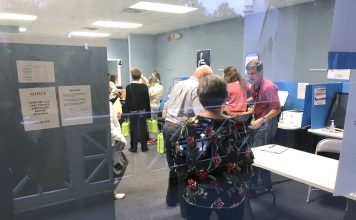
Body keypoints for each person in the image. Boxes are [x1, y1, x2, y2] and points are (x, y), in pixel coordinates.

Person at [174, 75, 254, 220]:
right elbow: (247, 158)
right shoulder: (237, 125)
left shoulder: (190, 126)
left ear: (200, 96)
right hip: (231, 192)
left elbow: (180, 160)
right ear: (225, 97)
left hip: (198, 191)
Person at [163, 65, 213, 209]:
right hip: (180, 129)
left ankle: (171, 199)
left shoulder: (179, 84)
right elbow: (200, 114)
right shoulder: (197, 88)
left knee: (174, 166)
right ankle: (186, 207)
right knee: (185, 169)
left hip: (168, 126)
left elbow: (168, 106)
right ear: (203, 75)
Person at [246, 59, 281, 192]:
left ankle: (253, 186)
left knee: (256, 154)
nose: (250, 76)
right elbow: (257, 101)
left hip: (268, 122)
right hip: (260, 119)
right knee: (256, 152)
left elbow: (276, 109)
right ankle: (266, 184)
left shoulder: (268, 87)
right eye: (248, 73)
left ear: (261, 72)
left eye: (253, 73)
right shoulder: (255, 85)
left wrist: (262, 120)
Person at [125, 67, 151, 152]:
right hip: (143, 111)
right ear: (140, 76)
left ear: (132, 76)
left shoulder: (128, 87)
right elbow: (147, 100)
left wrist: (125, 113)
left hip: (133, 112)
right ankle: (144, 147)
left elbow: (127, 101)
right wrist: (148, 112)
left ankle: (134, 147)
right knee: (143, 129)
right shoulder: (144, 87)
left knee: (133, 129)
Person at [109, 84, 127, 200]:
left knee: (119, 164)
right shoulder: (104, 105)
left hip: (115, 139)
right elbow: (109, 126)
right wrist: (121, 138)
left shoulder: (109, 104)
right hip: (111, 140)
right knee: (120, 164)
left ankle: (111, 191)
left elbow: (115, 122)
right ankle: (110, 191)